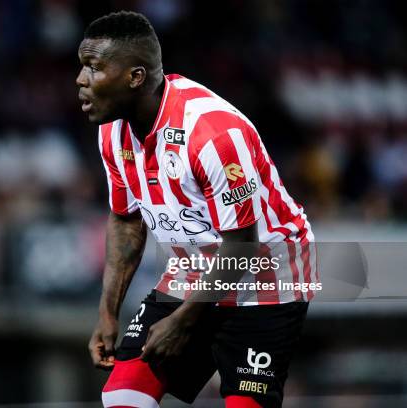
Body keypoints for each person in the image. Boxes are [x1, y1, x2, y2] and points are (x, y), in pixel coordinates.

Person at [76, 11, 316, 408]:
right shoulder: (111, 130)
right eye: (82, 66)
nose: (81, 81)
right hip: (195, 268)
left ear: (135, 77)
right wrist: (108, 312)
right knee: (122, 397)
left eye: (94, 68)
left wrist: (185, 322)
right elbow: (125, 219)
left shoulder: (213, 135)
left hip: (269, 273)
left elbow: (241, 247)